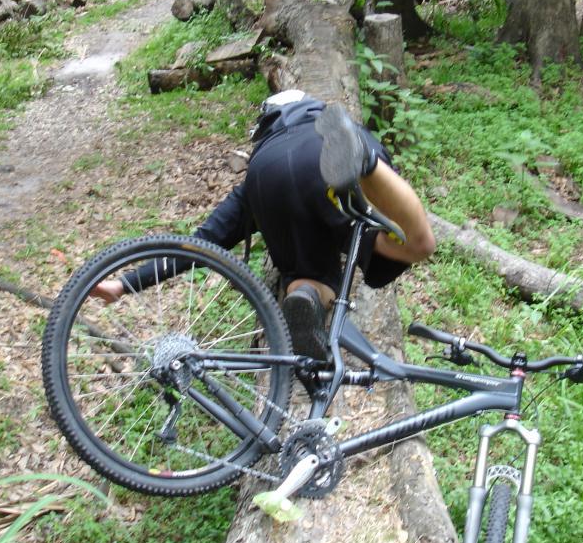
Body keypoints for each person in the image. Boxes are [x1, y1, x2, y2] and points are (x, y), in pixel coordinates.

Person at [91, 91, 435, 357]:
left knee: (308, 275)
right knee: (412, 244)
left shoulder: (260, 160)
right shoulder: (330, 131)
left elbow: (202, 243)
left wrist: (125, 284)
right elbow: (391, 206)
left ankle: (305, 293)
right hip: (326, 149)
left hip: (265, 173)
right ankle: (365, 158)